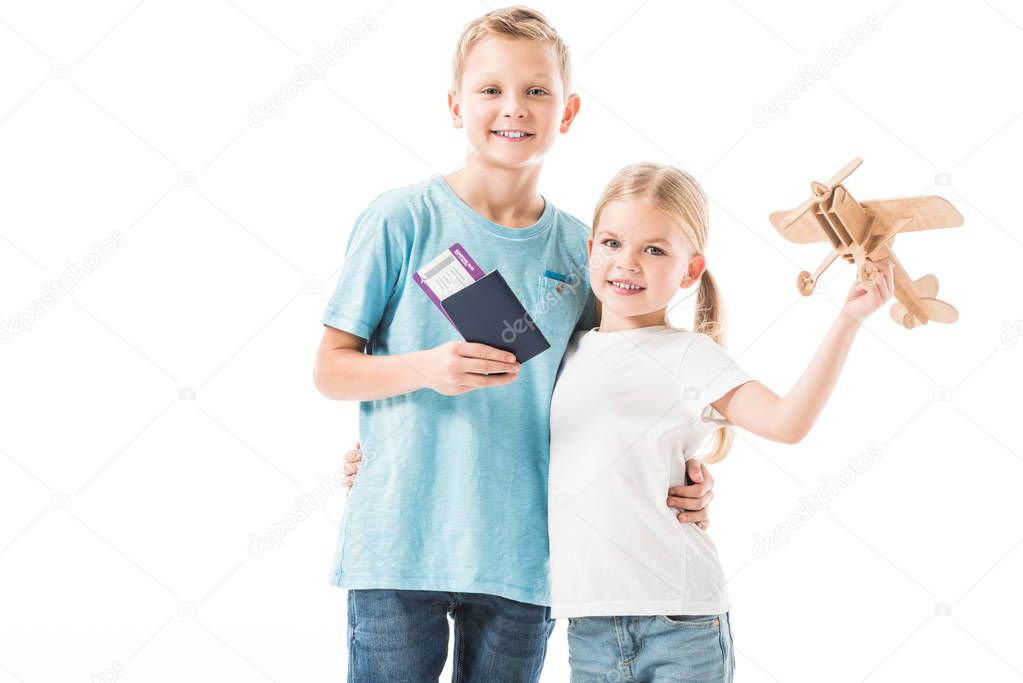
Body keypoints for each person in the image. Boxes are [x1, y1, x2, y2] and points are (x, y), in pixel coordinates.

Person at [314, 8, 715, 682]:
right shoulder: (401, 219)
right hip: (397, 542)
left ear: (568, 110)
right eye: (490, 89)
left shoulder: (587, 248)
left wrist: (679, 472)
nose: (513, 108)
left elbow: (616, 384)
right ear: (454, 106)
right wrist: (424, 369)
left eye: (536, 91)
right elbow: (330, 369)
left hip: (524, 551)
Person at [548, 162, 893, 682]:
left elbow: (786, 421)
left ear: (690, 271)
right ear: (591, 247)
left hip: (678, 621)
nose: (628, 263)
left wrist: (847, 321)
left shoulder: (688, 355)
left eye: (654, 249)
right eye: (613, 243)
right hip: (588, 625)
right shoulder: (563, 350)